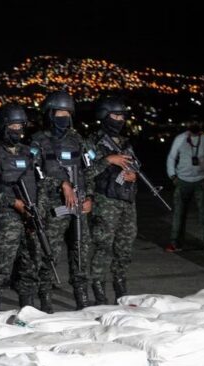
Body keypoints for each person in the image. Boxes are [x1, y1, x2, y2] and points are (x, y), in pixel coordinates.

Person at [0, 104, 44, 310]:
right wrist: (12, 202)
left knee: (30, 264)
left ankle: (28, 310)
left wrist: (37, 209)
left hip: (30, 216)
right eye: (13, 125)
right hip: (5, 219)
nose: (18, 130)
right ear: (4, 127)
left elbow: (40, 183)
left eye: (20, 125)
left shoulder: (30, 153)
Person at [32, 91, 94, 311]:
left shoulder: (77, 140)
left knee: (80, 251)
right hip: (53, 206)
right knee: (50, 253)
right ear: (49, 114)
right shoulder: (38, 141)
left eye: (67, 113)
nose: (63, 117)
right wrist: (61, 184)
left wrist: (90, 198)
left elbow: (89, 171)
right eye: (59, 113)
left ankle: (81, 297)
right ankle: (45, 297)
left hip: (78, 206)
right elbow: (36, 175)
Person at [83, 96, 138, 304]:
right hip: (104, 201)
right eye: (115, 115)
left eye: (122, 116)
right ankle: (98, 286)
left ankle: (120, 283)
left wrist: (133, 176)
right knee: (103, 245)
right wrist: (108, 160)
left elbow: (132, 168)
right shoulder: (92, 142)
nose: (120, 119)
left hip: (126, 200)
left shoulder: (125, 143)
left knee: (125, 245)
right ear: (104, 116)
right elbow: (85, 172)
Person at [165, 121, 204, 252]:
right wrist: (173, 176)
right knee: (178, 213)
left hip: (201, 180)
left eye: (197, 123)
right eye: (192, 123)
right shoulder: (180, 139)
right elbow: (171, 158)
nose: (194, 125)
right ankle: (175, 243)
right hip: (182, 180)